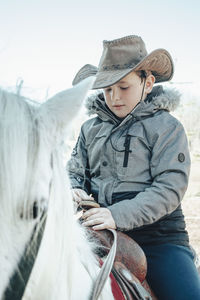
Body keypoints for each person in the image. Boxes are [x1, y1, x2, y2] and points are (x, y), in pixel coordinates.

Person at [67, 35, 200, 299]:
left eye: (124, 88)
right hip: (99, 230)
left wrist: (116, 215)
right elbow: (73, 171)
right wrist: (72, 188)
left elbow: (169, 189)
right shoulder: (89, 128)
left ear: (147, 83)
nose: (114, 98)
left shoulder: (167, 128)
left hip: (158, 238)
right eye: (107, 90)